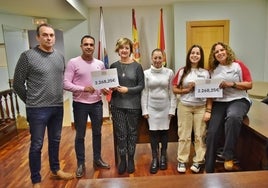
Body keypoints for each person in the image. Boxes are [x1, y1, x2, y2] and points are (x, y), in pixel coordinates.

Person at [13, 23, 74, 188]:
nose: (49, 38)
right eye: (45, 35)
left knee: (55, 140)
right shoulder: (27, 56)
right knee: (37, 145)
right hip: (37, 109)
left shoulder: (60, 56)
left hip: (57, 106)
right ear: (37, 37)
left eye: (51, 35)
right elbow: (18, 84)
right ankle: (36, 180)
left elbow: (61, 80)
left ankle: (56, 169)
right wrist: (31, 101)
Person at [63, 35, 110, 178]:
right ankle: (81, 163)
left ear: (94, 47)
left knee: (97, 133)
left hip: (96, 104)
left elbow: (102, 83)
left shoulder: (100, 64)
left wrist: (104, 89)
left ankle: (97, 159)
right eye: (86, 44)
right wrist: (83, 89)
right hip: (80, 105)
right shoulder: (73, 62)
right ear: (81, 46)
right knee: (80, 135)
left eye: (91, 44)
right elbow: (65, 83)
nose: (88, 47)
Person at [205, 42, 252, 173]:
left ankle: (228, 156)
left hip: (239, 100)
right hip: (220, 102)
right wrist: (208, 110)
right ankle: (209, 167)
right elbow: (209, 92)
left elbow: (249, 84)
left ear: (227, 51)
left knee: (233, 117)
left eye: (222, 50)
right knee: (212, 132)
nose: (219, 53)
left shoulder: (238, 65)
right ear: (214, 55)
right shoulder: (212, 70)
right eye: (216, 52)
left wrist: (231, 84)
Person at [172, 44, 210, 173]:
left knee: (200, 135)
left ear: (201, 56)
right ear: (189, 55)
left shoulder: (206, 73)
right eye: (192, 53)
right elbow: (174, 88)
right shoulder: (182, 71)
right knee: (184, 135)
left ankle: (198, 160)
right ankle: (182, 160)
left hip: (201, 107)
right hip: (185, 107)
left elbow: (211, 93)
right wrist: (187, 89)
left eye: (197, 53)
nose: (195, 55)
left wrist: (208, 110)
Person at [109, 37, 144, 174]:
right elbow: (109, 83)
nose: (124, 50)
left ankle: (131, 159)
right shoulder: (113, 66)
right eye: (122, 48)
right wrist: (108, 88)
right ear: (118, 50)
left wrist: (127, 90)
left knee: (132, 133)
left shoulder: (137, 66)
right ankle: (122, 158)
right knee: (121, 134)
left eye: (127, 48)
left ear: (131, 50)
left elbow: (141, 86)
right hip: (117, 105)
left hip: (133, 105)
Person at [141, 48, 177, 174]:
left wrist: (172, 108)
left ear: (164, 59)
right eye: (155, 58)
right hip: (151, 108)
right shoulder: (146, 73)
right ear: (152, 59)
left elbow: (172, 92)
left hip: (165, 107)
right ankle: (155, 158)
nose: (157, 60)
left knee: (164, 133)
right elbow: (144, 92)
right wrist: (144, 109)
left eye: (159, 58)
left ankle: (163, 157)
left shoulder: (169, 72)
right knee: (154, 134)